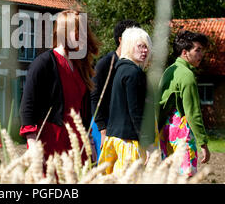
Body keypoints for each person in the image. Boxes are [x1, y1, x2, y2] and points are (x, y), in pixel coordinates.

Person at [19, 10, 100, 162]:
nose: (83, 37)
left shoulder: (81, 66)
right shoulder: (43, 63)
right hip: (51, 141)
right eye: (78, 33)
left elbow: (84, 111)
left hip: (77, 143)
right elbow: (27, 106)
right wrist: (32, 143)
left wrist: (90, 143)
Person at [98, 27, 155, 175]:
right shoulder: (133, 73)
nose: (145, 51)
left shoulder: (121, 69)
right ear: (129, 46)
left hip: (114, 138)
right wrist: (148, 143)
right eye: (140, 46)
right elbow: (136, 112)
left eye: (147, 47)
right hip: (128, 142)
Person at [158, 30, 210, 177]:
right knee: (185, 177)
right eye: (197, 50)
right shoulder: (187, 76)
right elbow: (193, 112)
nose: (201, 55)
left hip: (165, 133)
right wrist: (203, 143)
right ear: (185, 52)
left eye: (202, 50)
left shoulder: (169, 71)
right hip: (181, 134)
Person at [90, 19, 140, 154]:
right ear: (120, 39)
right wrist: (102, 129)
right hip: (103, 126)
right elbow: (94, 97)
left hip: (122, 127)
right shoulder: (105, 64)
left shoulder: (134, 66)